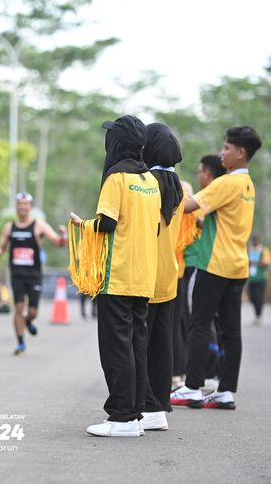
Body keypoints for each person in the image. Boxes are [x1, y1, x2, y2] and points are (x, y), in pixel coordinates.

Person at [70, 115, 160, 437]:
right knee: (136, 347)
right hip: (144, 278)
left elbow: (107, 224)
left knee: (116, 349)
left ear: (117, 143)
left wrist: (81, 225)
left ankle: (122, 418)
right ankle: (135, 415)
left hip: (117, 276)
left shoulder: (116, 178)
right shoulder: (150, 180)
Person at [172, 126, 262, 410]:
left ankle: (192, 388)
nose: (222, 153)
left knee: (199, 324)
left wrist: (166, 188)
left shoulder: (226, 183)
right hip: (237, 266)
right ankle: (226, 391)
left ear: (240, 152)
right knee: (230, 331)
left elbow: (188, 206)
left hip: (214, 264)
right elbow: (220, 221)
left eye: (226, 148)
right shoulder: (247, 185)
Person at [140, 122, 184, 432]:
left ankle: (145, 404)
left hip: (144, 274)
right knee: (161, 344)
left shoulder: (146, 185)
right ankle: (158, 407)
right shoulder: (180, 187)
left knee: (138, 344)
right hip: (169, 275)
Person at [173, 155, 226, 389]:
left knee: (198, 321)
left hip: (196, 266)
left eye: (200, 171)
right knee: (196, 321)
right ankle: (203, 370)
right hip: (191, 266)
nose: (198, 175)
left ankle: (207, 371)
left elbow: (199, 221)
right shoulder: (207, 201)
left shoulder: (202, 205)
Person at [0, 192, 66, 354]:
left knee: (33, 312)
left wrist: (63, 235)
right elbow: (1, 246)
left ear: (30, 207)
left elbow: (58, 242)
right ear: (16, 207)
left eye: (25, 204)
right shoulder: (9, 227)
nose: (22, 207)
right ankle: (20, 343)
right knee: (18, 308)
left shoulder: (39, 226)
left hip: (34, 276)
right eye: (20, 204)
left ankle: (28, 321)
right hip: (16, 275)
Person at [246, 234, 269, 326]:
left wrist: (255, 262)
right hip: (251, 278)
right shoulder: (249, 250)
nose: (254, 242)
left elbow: (266, 263)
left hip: (261, 278)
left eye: (255, 240)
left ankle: (258, 316)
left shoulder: (263, 250)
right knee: (252, 298)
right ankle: (256, 315)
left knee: (258, 297)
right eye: (253, 240)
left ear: (258, 241)